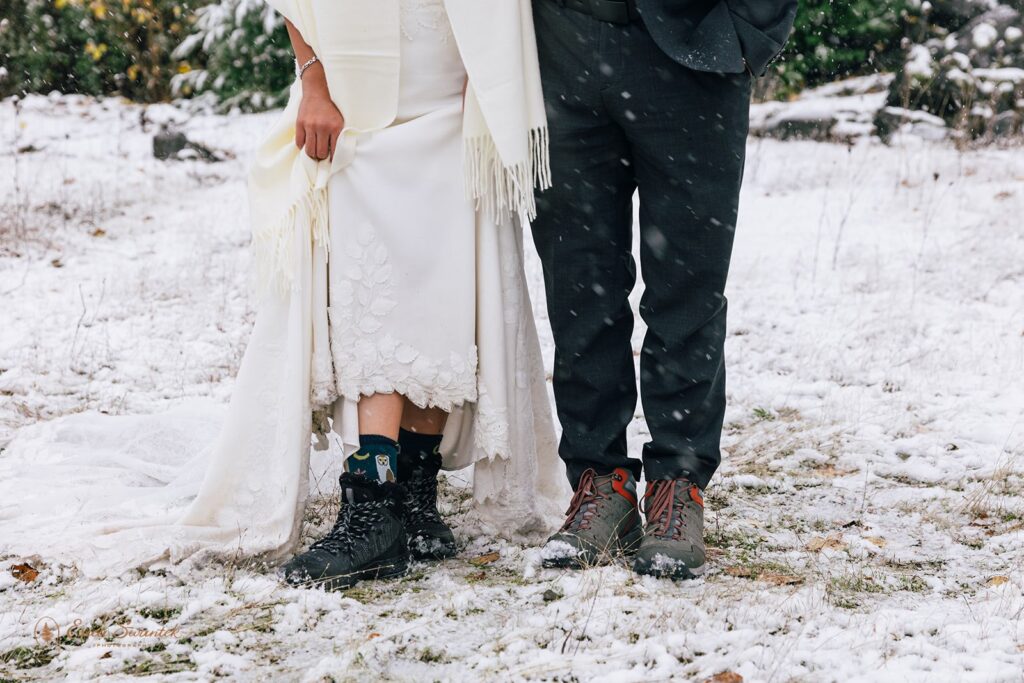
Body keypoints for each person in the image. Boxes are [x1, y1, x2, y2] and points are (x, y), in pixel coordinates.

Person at [0, 0, 563, 586]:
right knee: (373, 298)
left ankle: (413, 493)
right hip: (355, 111)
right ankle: (371, 502)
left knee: (443, 293)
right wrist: (313, 84)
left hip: (459, 105)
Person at [531, 0, 798, 579]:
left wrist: (750, 29)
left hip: (697, 49)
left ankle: (679, 486)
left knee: (688, 289)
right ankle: (601, 483)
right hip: (558, 45)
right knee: (577, 284)